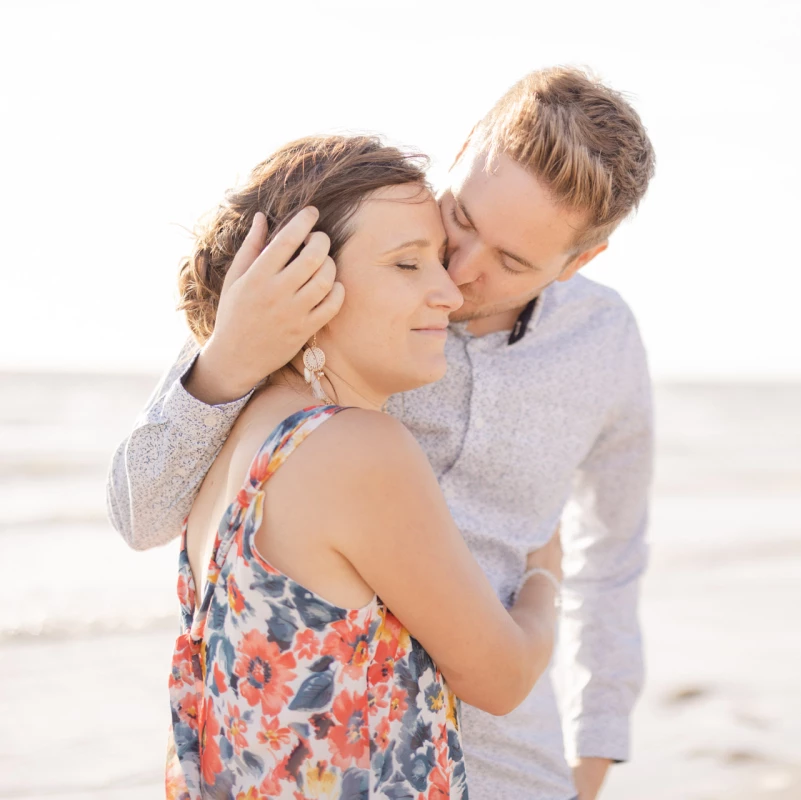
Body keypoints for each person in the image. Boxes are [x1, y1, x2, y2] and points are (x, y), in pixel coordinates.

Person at [109, 66, 656, 800]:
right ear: (462, 152)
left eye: (511, 262)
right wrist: (224, 360)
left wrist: (592, 762)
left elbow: (614, 559)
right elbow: (140, 515)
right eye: (463, 219)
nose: (459, 273)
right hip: (332, 756)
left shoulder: (604, 343)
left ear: (578, 262)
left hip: (517, 767)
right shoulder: (336, 272)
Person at [162, 134, 564, 799]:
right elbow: (502, 678)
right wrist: (546, 573)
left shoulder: (236, 436)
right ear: (302, 284)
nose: (449, 292)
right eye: (407, 264)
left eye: (437, 259)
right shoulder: (358, 449)